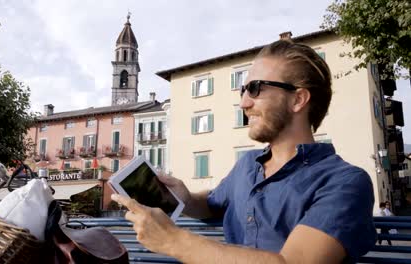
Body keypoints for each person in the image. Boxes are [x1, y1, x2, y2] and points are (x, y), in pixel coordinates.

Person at [111, 40, 377, 263]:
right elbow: (214, 204)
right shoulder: (248, 165)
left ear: (298, 99)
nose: (243, 103)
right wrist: (187, 199)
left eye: (255, 88)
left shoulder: (345, 182)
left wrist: (174, 241)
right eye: (243, 90)